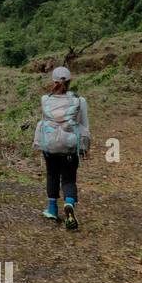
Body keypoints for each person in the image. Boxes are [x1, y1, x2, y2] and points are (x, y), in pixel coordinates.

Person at [31, 66, 90, 230]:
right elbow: (85, 125)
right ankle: (69, 203)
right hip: (70, 146)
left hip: (50, 146)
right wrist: (85, 148)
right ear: (70, 81)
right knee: (69, 178)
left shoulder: (45, 99)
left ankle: (52, 209)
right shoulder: (79, 100)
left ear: (54, 81)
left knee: (52, 174)